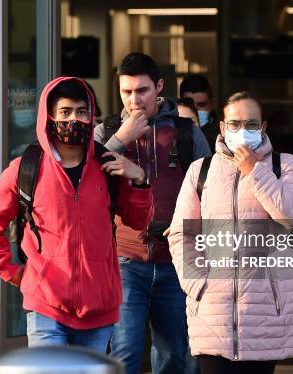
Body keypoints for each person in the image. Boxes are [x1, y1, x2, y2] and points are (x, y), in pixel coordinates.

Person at [0, 77, 153, 352]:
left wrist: (139, 180)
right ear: (50, 117)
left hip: (99, 308)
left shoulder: (108, 166)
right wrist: (12, 272)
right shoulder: (27, 167)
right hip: (46, 305)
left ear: (91, 115)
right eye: (65, 112)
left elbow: (138, 221)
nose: (75, 119)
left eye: (82, 112)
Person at [168, 91, 293, 374]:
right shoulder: (201, 170)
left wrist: (255, 171)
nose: (242, 131)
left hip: (265, 310)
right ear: (222, 127)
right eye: (234, 124)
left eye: (251, 124)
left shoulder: (285, 165)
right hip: (213, 311)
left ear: (264, 128)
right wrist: (197, 284)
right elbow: (181, 234)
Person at [94, 52, 211, 374]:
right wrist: (121, 139)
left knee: (174, 355)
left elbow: (211, 189)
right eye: (126, 92)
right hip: (124, 259)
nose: (134, 99)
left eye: (142, 90)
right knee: (125, 354)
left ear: (159, 87)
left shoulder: (187, 132)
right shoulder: (106, 133)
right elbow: (84, 178)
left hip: (176, 259)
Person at [180, 74, 218, 152]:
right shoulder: (172, 132)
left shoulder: (223, 135)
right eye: (189, 105)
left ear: (212, 104)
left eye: (201, 105)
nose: (195, 111)